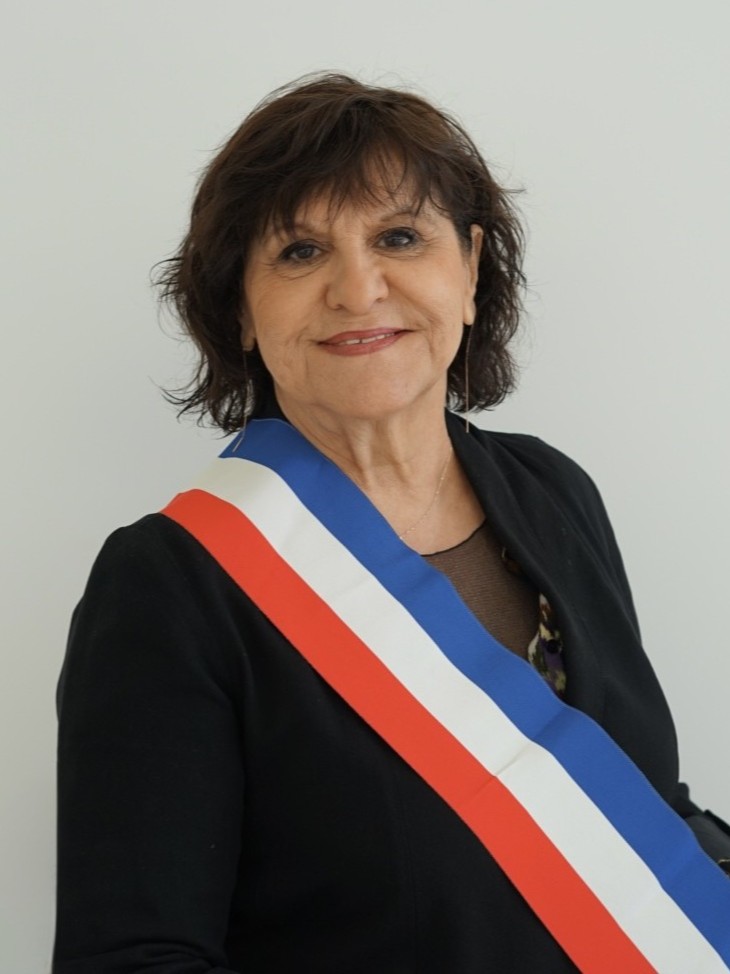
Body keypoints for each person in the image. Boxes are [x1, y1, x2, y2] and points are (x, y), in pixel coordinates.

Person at [54, 74, 730, 974]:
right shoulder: (170, 586)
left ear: (470, 270)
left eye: (400, 237)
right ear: (241, 309)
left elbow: (644, 815)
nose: (358, 288)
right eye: (300, 251)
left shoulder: (552, 491)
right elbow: (136, 956)